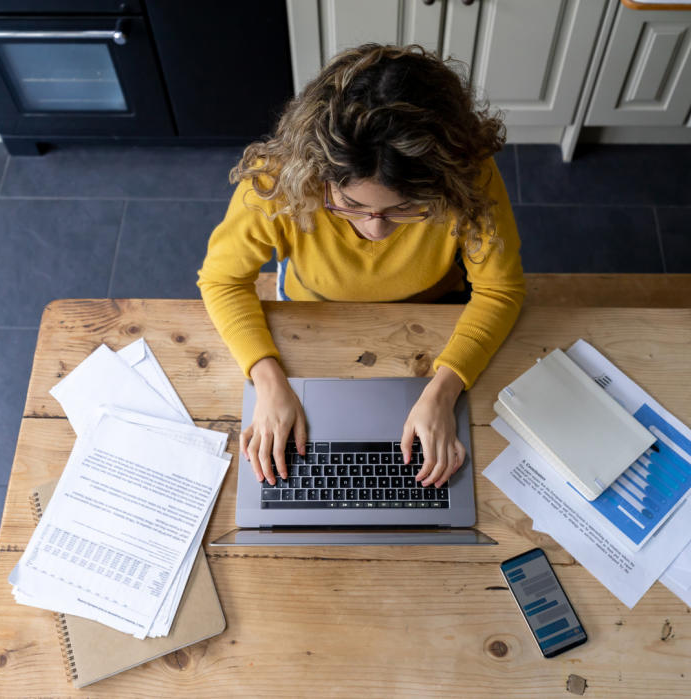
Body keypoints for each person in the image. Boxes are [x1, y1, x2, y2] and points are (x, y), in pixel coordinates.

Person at [197, 43, 525, 495]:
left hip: (433, 313)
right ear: (316, 173)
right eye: (350, 205)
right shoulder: (277, 178)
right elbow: (222, 279)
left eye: (404, 208)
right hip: (311, 317)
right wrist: (267, 380)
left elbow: (499, 292)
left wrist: (445, 390)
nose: (375, 230)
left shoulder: (469, 177)